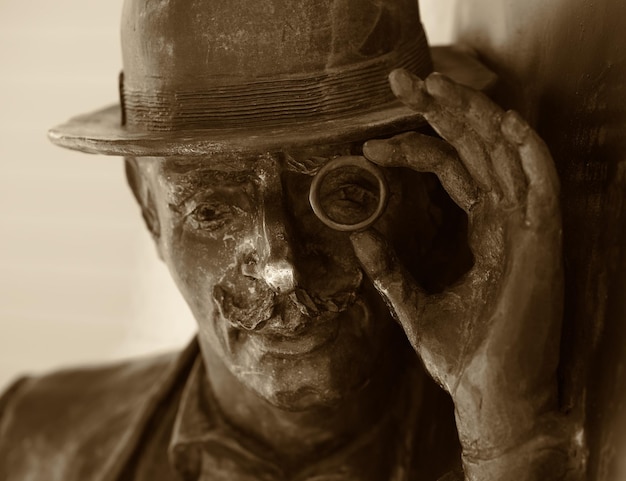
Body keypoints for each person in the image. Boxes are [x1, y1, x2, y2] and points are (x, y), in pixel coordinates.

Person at [0, 0, 578, 480]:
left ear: (433, 192)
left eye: (345, 195)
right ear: (148, 208)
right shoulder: (28, 439)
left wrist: (506, 447)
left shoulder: (530, 440)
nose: (284, 269)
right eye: (210, 211)